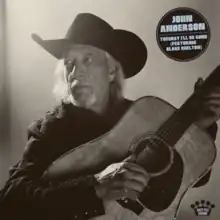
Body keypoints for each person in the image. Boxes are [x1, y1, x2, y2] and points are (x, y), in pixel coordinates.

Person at [0, 13, 219, 220]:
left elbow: (193, 178)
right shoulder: (52, 128)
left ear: (112, 71)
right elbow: (10, 200)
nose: (75, 73)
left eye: (87, 60)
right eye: (69, 64)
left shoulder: (144, 117)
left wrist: (201, 125)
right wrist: (96, 187)